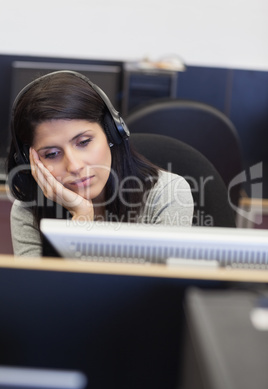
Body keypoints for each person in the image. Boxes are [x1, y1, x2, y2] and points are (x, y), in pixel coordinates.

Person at [7, 70, 194, 257]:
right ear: (29, 160)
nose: (74, 166)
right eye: (52, 153)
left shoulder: (166, 194)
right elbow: (43, 287)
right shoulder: (29, 209)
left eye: (84, 142)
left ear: (112, 132)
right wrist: (82, 217)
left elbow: (161, 285)